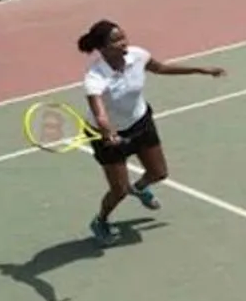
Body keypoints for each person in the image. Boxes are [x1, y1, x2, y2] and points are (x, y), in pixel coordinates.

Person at [76, 19, 225, 245]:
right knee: (119, 190)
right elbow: (100, 114)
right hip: (107, 135)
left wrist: (200, 69)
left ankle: (139, 188)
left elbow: (161, 68)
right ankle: (101, 220)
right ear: (102, 47)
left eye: (123, 36)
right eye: (116, 40)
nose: (123, 42)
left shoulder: (137, 55)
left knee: (158, 173)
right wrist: (108, 132)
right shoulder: (95, 77)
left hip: (140, 122)